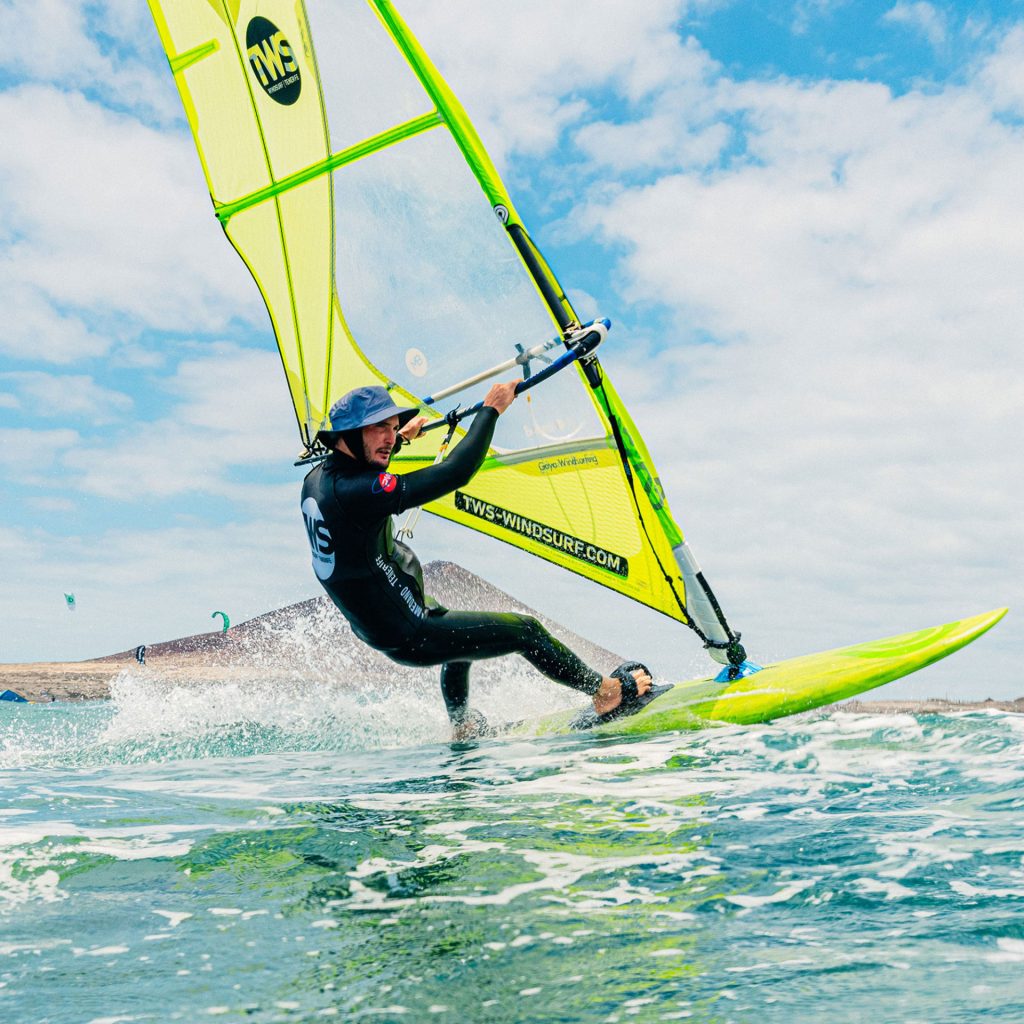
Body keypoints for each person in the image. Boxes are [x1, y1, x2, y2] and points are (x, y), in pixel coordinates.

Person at [300, 382, 651, 738]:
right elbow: (456, 471)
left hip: (383, 620)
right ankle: (606, 692)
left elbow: (360, 472)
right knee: (526, 631)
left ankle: (463, 726)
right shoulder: (359, 492)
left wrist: (401, 438)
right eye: (380, 428)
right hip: (408, 629)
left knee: (461, 641)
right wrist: (491, 410)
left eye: (393, 427)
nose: (389, 437)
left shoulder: (318, 479)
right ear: (347, 435)